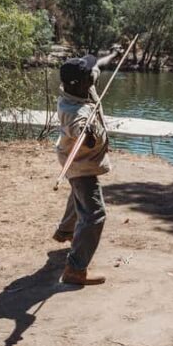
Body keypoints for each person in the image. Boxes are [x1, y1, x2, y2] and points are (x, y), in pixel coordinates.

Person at [51, 48, 120, 285]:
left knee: (77, 193)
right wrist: (87, 135)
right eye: (90, 72)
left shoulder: (81, 86)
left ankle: (66, 231)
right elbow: (79, 129)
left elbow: (98, 63)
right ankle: (75, 269)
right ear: (84, 82)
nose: (94, 72)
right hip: (81, 166)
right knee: (95, 214)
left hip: (74, 162)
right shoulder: (73, 112)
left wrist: (114, 53)